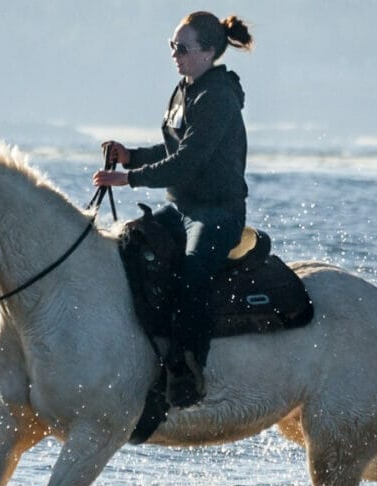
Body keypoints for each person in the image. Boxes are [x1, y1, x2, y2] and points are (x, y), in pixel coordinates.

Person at [93, 11, 254, 408]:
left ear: (209, 51)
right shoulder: (185, 88)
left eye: (182, 48)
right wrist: (130, 157)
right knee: (129, 245)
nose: (174, 55)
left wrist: (129, 179)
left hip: (216, 215)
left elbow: (189, 162)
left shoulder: (217, 96)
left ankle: (186, 372)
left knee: (193, 275)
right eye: (172, 46)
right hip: (180, 208)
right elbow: (172, 150)